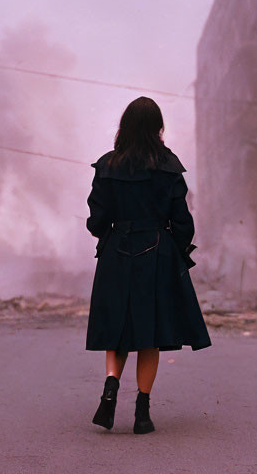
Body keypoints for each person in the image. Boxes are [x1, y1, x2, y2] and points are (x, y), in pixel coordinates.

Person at [85, 96, 211, 434]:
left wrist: (106, 229)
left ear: (124, 126)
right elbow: (182, 220)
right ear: (158, 128)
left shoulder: (108, 166)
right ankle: (143, 412)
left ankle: (111, 387)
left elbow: (97, 221)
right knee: (149, 335)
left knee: (117, 329)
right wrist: (177, 248)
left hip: (116, 254)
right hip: (156, 252)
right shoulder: (169, 166)